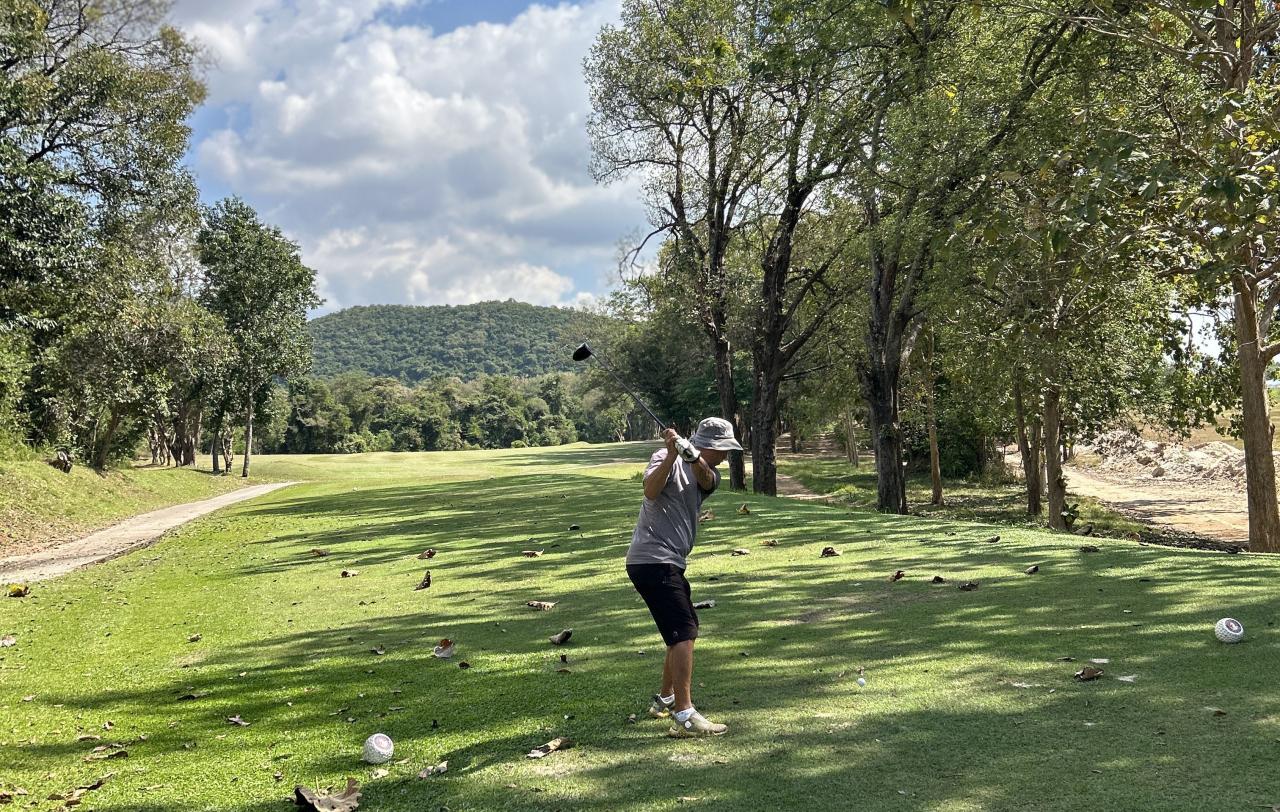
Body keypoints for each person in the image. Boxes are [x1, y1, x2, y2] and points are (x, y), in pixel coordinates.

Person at [626, 416, 742, 737]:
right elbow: (650, 491)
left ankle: (666, 698)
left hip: (668, 561)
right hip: (652, 559)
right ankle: (685, 714)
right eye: (724, 449)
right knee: (684, 632)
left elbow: (706, 479)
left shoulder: (710, 472)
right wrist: (672, 454)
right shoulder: (662, 457)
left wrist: (693, 456)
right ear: (712, 445)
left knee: (681, 629)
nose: (726, 455)